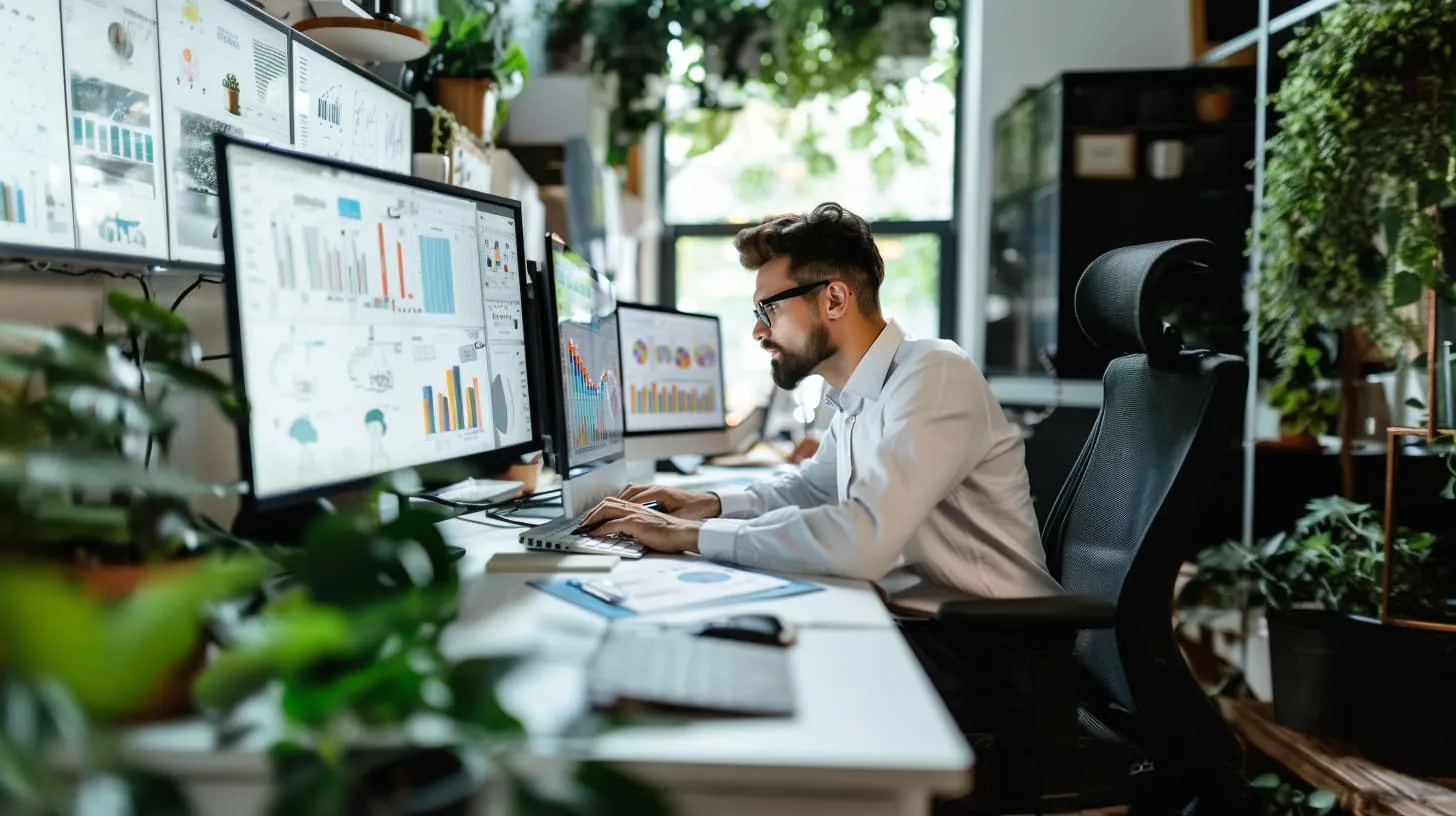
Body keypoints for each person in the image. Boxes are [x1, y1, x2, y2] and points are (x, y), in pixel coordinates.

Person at [580, 202, 1062, 734]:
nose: (760, 333)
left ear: (833, 298)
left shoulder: (933, 374)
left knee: (755, 691)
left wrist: (695, 535)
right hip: (928, 630)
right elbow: (814, 486)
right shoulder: (859, 390)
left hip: (989, 655)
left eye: (769, 310)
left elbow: (862, 540)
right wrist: (711, 505)